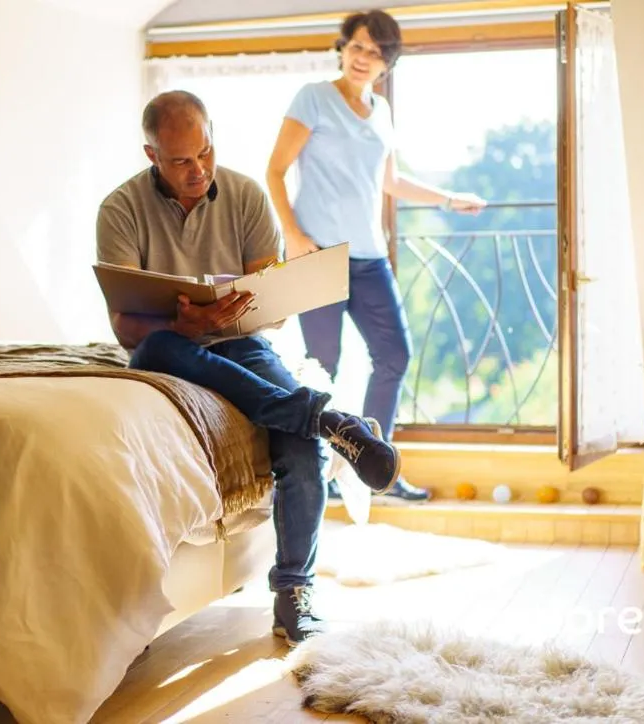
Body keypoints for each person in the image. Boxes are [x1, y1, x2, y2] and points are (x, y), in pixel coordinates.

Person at [96, 90, 401, 647]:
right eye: (181, 160)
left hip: (241, 345)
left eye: (205, 152)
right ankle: (328, 418)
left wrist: (252, 305)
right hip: (170, 352)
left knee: (301, 446)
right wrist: (186, 325)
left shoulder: (245, 195)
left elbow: (273, 308)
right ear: (152, 156)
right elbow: (124, 328)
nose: (199, 169)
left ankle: (293, 593)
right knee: (157, 348)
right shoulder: (119, 210)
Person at [265, 10, 487, 502]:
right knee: (323, 366)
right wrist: (294, 237)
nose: (365, 58)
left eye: (377, 52)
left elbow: (390, 181)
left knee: (394, 356)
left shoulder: (381, 111)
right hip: (318, 253)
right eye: (358, 47)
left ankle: (372, 467)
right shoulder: (314, 99)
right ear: (342, 48)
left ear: (389, 62)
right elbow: (276, 171)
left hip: (368, 257)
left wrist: (449, 199)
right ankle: (314, 474)